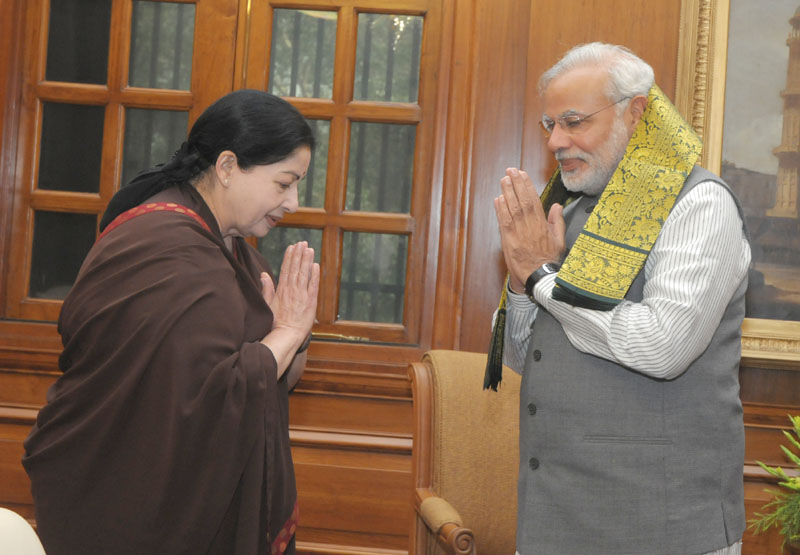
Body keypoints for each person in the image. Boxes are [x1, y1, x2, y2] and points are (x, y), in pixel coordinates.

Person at [22, 89, 319, 555]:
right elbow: (208, 395)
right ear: (226, 167)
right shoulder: (164, 246)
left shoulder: (235, 252)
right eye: (283, 184)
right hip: (125, 495)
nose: (294, 202)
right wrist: (287, 333)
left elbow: (271, 383)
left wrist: (293, 339)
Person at [488, 43, 750, 555]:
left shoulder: (699, 204)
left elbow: (662, 347)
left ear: (636, 113)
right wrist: (522, 283)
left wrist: (541, 277)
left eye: (573, 121)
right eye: (550, 125)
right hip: (554, 518)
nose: (555, 141)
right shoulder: (568, 209)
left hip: (664, 526)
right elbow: (523, 358)